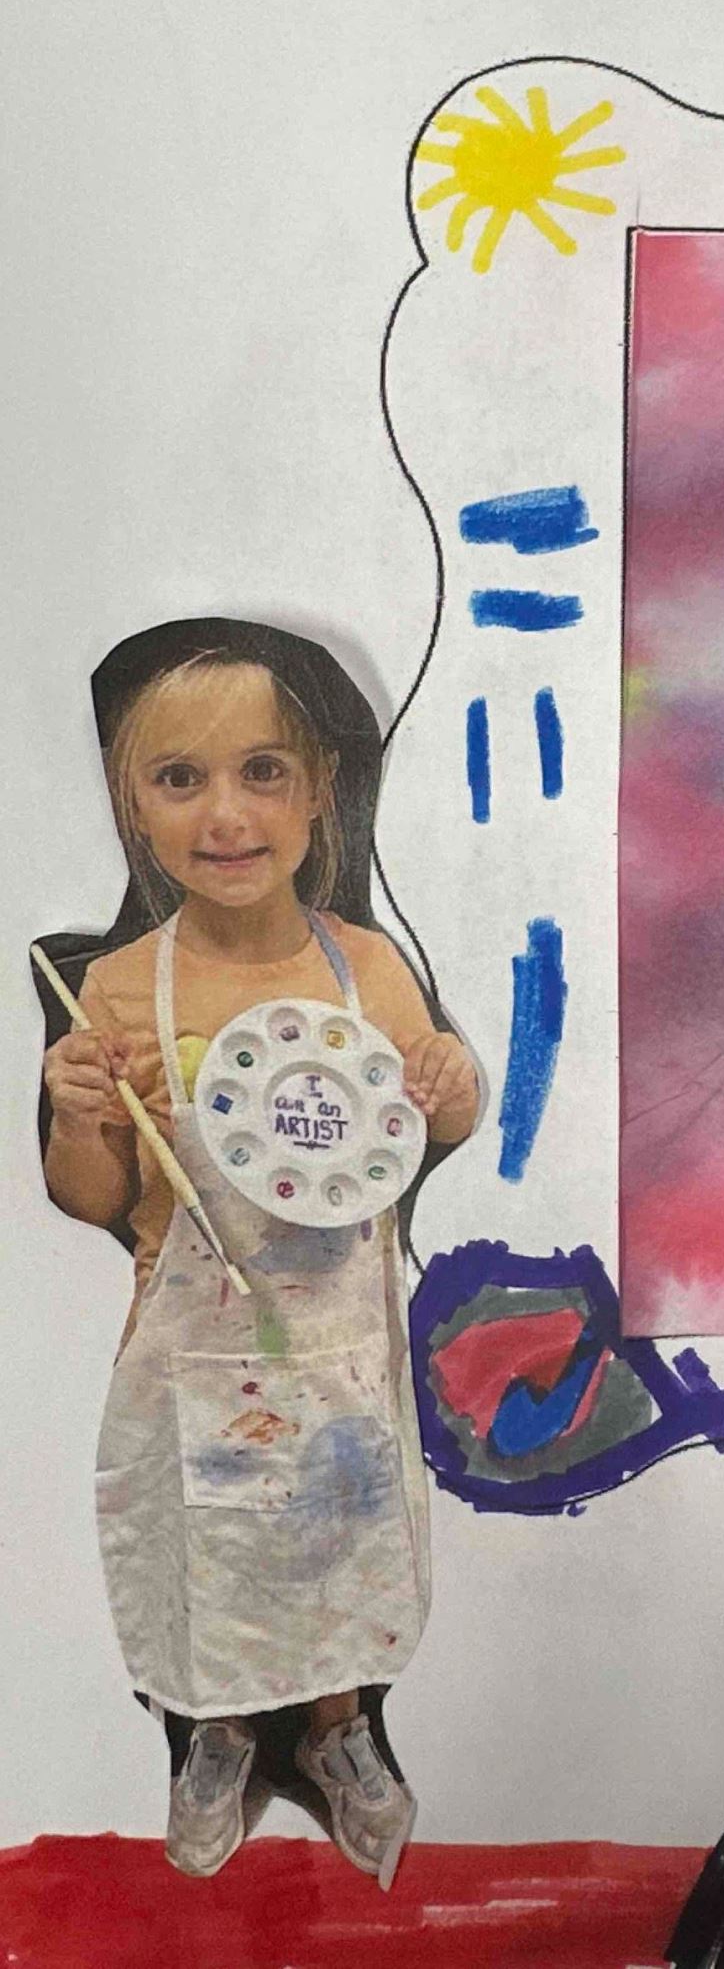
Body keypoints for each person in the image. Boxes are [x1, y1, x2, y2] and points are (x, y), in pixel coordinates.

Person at [38, 629, 479, 1885]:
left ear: (319, 789)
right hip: (195, 1354)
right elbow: (97, 1199)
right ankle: (218, 1735)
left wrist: (451, 1088)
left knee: (339, 1545)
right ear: (131, 802)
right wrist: (80, 1116)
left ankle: (337, 1729)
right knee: (211, 1554)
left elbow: (422, 1136)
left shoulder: (368, 967)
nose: (225, 814)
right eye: (180, 779)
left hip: (338, 1347)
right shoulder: (121, 987)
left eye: (263, 771)